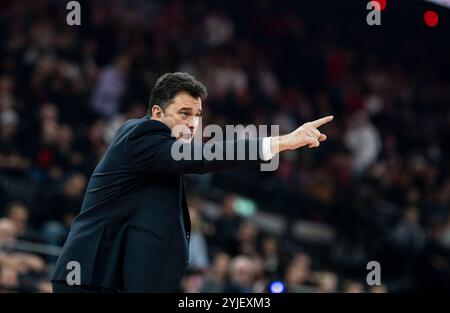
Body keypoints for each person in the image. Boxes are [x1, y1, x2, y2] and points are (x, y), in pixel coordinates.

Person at [51, 72, 333, 292]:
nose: (193, 123)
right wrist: (283, 141)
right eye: (184, 113)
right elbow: (203, 157)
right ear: (158, 114)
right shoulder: (142, 134)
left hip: (113, 278)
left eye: (198, 115)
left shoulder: (159, 155)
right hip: (92, 276)